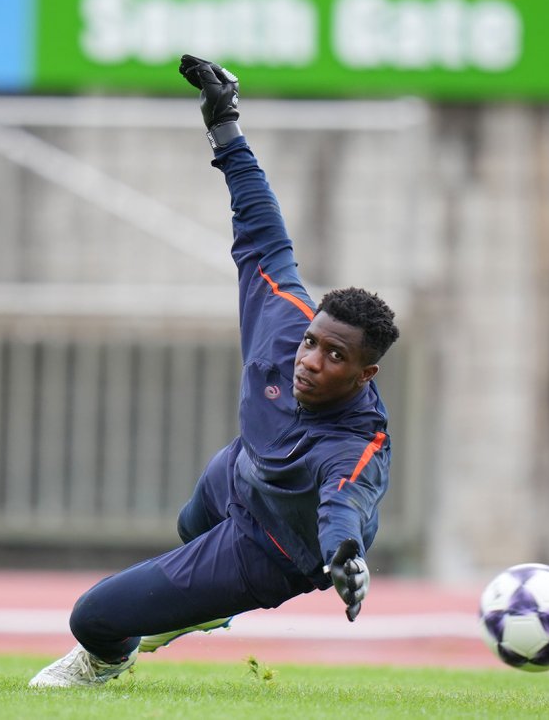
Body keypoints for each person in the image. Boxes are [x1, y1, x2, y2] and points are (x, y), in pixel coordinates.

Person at [28, 55, 401, 688]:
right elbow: (263, 230)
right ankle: (195, 601)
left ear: (367, 376)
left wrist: (347, 555)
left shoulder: (356, 444)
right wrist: (224, 124)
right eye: (313, 343)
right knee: (188, 524)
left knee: (92, 617)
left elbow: (344, 502)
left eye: (336, 357)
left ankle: (107, 659)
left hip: (273, 548)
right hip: (239, 472)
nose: (311, 361)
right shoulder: (285, 322)